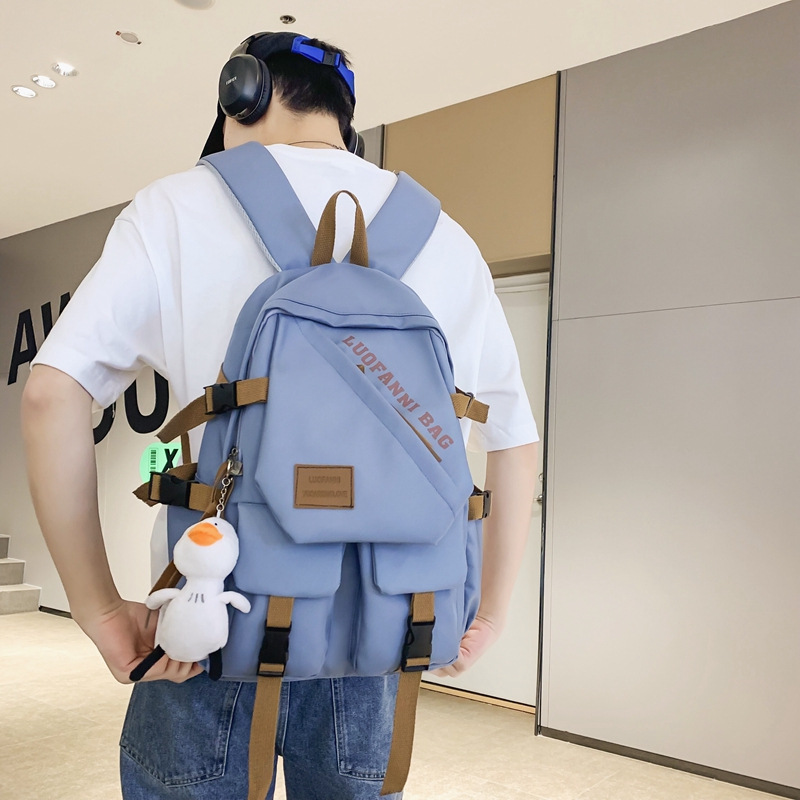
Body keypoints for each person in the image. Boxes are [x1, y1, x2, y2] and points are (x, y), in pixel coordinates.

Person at [21, 31, 539, 800]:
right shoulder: (447, 239)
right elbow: (514, 439)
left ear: (242, 95)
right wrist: (487, 611)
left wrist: (98, 609)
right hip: (387, 627)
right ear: (344, 116)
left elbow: (50, 393)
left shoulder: (178, 206)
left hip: (211, 624)